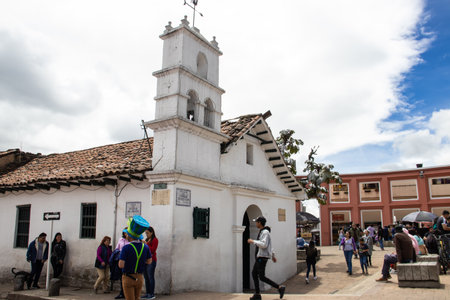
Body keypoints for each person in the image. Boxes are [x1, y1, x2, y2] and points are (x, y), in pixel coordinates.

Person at [247, 216, 285, 300]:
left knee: (259, 276)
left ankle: (278, 288)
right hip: (260, 257)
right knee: (257, 275)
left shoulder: (265, 232)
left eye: (256, 222)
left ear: (259, 222)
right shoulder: (263, 232)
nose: (256, 223)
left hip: (261, 258)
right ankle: (259, 294)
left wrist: (253, 241)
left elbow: (264, 245)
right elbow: (269, 246)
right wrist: (273, 256)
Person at [119, 215, 152, 300]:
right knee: (137, 298)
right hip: (140, 277)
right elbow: (149, 261)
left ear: (129, 236)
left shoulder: (126, 248)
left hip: (128, 277)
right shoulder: (145, 247)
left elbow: (121, 265)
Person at [142, 227, 158, 299]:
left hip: (152, 261)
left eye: (147, 233)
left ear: (151, 232)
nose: (147, 234)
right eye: (146, 233)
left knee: (150, 277)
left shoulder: (155, 240)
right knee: (146, 277)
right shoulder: (146, 240)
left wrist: (146, 244)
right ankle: (147, 293)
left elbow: (153, 250)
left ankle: (152, 294)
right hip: (145, 261)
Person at [113, 228, 129, 299]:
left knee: (127, 277)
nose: (126, 234)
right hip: (120, 259)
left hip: (128, 260)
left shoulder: (131, 241)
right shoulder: (121, 240)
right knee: (121, 278)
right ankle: (122, 293)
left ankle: (127, 293)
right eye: (125, 233)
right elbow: (117, 248)